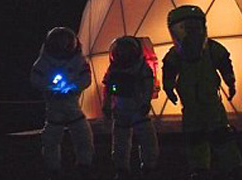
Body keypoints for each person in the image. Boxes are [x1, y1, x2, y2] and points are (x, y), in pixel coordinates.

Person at [162, 5, 242, 180]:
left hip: (210, 103)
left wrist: (230, 82)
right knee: (195, 136)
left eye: (194, 27)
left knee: (221, 135)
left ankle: (231, 166)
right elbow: (168, 72)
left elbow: (225, 64)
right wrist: (168, 88)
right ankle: (201, 168)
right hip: (192, 106)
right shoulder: (177, 54)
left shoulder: (210, 49)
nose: (191, 32)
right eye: (186, 28)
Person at [30, 26, 95, 179]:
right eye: (59, 43)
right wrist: (50, 88)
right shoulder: (45, 61)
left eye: (65, 42)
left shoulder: (78, 60)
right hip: (55, 107)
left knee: (83, 137)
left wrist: (72, 88)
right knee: (51, 140)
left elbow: (85, 79)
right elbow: (35, 79)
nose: (62, 46)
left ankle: (84, 164)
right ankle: (53, 168)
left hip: (72, 106)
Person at [101, 36, 160, 179]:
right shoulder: (114, 69)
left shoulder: (141, 68)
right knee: (120, 141)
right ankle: (121, 168)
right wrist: (107, 105)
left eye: (127, 49)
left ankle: (148, 165)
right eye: (122, 50)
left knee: (147, 139)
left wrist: (145, 103)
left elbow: (148, 87)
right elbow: (108, 88)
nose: (124, 53)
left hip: (137, 108)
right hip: (121, 108)